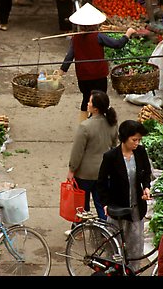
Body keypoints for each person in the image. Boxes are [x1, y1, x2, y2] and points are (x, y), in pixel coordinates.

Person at [58, 3, 136, 122]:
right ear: (95, 24)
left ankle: (83, 124)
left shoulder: (75, 38)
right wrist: (127, 34)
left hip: (83, 77)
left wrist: (61, 72)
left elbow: (69, 57)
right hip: (98, 75)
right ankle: (100, 122)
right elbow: (117, 44)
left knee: (86, 98)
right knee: (100, 99)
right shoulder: (98, 36)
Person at [97, 119, 152, 271]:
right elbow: (101, 182)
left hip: (136, 208)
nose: (137, 143)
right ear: (124, 138)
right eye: (134, 140)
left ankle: (132, 271)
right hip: (117, 208)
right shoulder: (111, 157)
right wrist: (106, 203)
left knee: (135, 246)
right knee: (114, 246)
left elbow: (147, 173)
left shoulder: (140, 152)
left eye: (139, 140)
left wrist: (146, 188)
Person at [66, 90, 118, 227]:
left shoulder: (85, 127)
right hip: (104, 172)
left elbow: (77, 152)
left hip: (85, 173)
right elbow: (114, 146)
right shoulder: (112, 124)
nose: (87, 104)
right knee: (101, 204)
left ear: (95, 108)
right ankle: (105, 231)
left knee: (81, 205)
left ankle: (78, 230)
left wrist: (72, 169)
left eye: (89, 102)